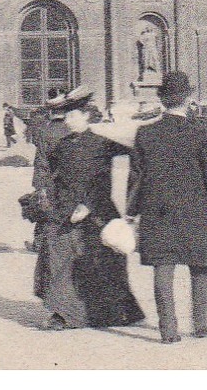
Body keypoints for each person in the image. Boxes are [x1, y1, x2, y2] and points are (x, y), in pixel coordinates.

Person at [129, 70, 207, 343]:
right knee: (200, 266)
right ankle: (200, 324)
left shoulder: (145, 133)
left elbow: (136, 178)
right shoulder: (200, 133)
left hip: (158, 211)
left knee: (162, 268)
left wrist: (130, 214)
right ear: (187, 99)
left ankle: (168, 330)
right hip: (197, 211)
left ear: (161, 100)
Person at [34, 87, 145, 332]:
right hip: (64, 210)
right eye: (66, 117)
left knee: (102, 263)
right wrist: (43, 194)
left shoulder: (102, 143)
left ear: (86, 116)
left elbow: (139, 152)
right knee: (59, 258)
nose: (68, 121)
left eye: (73, 116)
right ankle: (63, 313)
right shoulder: (61, 145)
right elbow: (48, 172)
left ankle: (111, 312)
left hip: (97, 210)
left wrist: (130, 195)